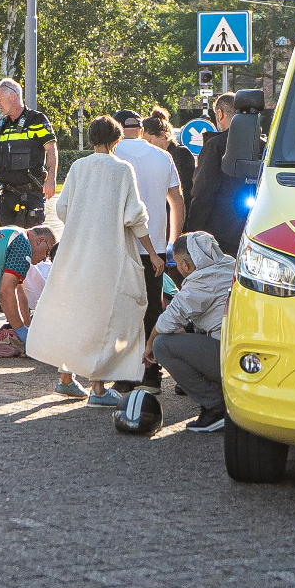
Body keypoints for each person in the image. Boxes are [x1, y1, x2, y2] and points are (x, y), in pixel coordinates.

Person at [26, 115, 163, 406]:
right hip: (108, 255)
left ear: (91, 139)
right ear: (117, 140)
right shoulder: (122, 169)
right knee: (105, 318)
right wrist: (152, 252)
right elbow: (135, 216)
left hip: (75, 251)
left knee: (75, 314)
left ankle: (66, 379)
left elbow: (63, 208)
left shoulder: (78, 167)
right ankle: (98, 388)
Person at [111, 107, 185, 390]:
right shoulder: (163, 156)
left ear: (117, 129)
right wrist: (173, 243)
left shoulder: (112, 155)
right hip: (155, 247)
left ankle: (124, 376)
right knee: (152, 309)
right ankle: (151, 375)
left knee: (122, 310)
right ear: (141, 129)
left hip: (120, 246)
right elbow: (176, 200)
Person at [148, 231, 236, 432]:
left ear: (185, 265)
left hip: (229, 358)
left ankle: (216, 406)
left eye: (178, 264)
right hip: (248, 356)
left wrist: (149, 345)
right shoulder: (231, 264)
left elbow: (165, 323)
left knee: (162, 345)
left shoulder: (201, 280)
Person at [0, 78, 58, 229]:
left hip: (30, 196)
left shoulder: (36, 119)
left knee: (32, 241)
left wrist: (51, 179)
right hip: (6, 197)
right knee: (8, 243)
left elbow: (51, 149)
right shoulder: (2, 125)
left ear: (13, 96)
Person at [189, 93, 253, 252]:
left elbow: (202, 191)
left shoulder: (215, 145)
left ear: (220, 113)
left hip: (221, 235)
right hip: (256, 231)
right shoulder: (262, 144)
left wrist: (193, 230)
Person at [143, 110, 194, 206]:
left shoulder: (181, 153)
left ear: (162, 135)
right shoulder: (153, 156)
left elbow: (186, 191)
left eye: (149, 141)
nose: (147, 146)